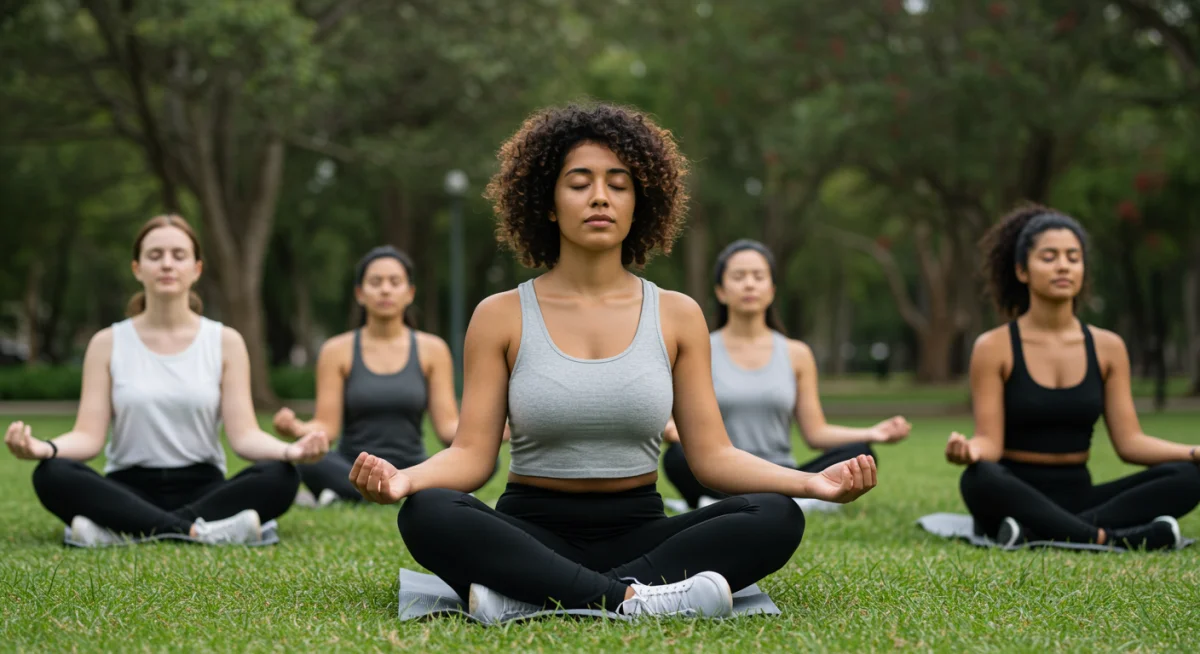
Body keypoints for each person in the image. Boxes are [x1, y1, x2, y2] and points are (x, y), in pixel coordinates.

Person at [347, 103, 878, 622]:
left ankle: (538, 595)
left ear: (638, 202)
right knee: (429, 512)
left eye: (618, 184)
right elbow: (471, 456)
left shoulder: (678, 314)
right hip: (531, 529)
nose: (599, 197)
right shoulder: (500, 315)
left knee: (774, 515)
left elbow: (712, 456)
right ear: (548, 202)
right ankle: (632, 599)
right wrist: (404, 481)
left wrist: (811, 485)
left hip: (642, 527)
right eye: (579, 183)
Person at [4, 215, 328, 547]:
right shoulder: (106, 342)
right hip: (127, 488)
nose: (167, 264)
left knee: (281, 475)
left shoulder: (225, 341)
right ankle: (200, 531)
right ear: (137, 268)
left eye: (178, 255)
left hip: (204, 486)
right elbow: (88, 437)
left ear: (196, 268)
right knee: (51, 473)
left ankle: (121, 532)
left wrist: (291, 450)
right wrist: (45, 448)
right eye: (155, 255)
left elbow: (244, 436)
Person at [945, 205, 1200, 549]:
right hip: (1015, 492)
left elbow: (1130, 443)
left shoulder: (1108, 347)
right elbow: (990, 443)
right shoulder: (994, 347)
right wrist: (969, 450)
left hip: (1083, 497)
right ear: (1022, 270)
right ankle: (1106, 537)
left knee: (1188, 477)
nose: (1063, 265)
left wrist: (1193, 452)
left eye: (1073, 257)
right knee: (978, 478)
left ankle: (1042, 533)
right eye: (1049, 257)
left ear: (1083, 269)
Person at [660, 239, 911, 509]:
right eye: (738, 276)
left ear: (772, 290)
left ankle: (751, 501)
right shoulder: (698, 348)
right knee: (676, 457)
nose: (749, 284)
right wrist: (672, 430)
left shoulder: (797, 354)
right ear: (721, 291)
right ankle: (766, 502)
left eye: (758, 276)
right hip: (721, 474)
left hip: (782, 475)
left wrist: (873, 433)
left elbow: (816, 433)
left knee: (858, 453)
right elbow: (672, 423)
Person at [273, 246, 464, 505]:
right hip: (352, 468)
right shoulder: (336, 351)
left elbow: (448, 429)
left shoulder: (433, 349)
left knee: (480, 459)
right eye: (375, 282)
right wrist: (297, 428)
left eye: (394, 282)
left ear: (409, 293)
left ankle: (350, 495)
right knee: (309, 461)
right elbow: (326, 428)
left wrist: (496, 429)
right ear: (360, 294)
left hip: (413, 468)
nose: (385, 289)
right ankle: (390, 491)